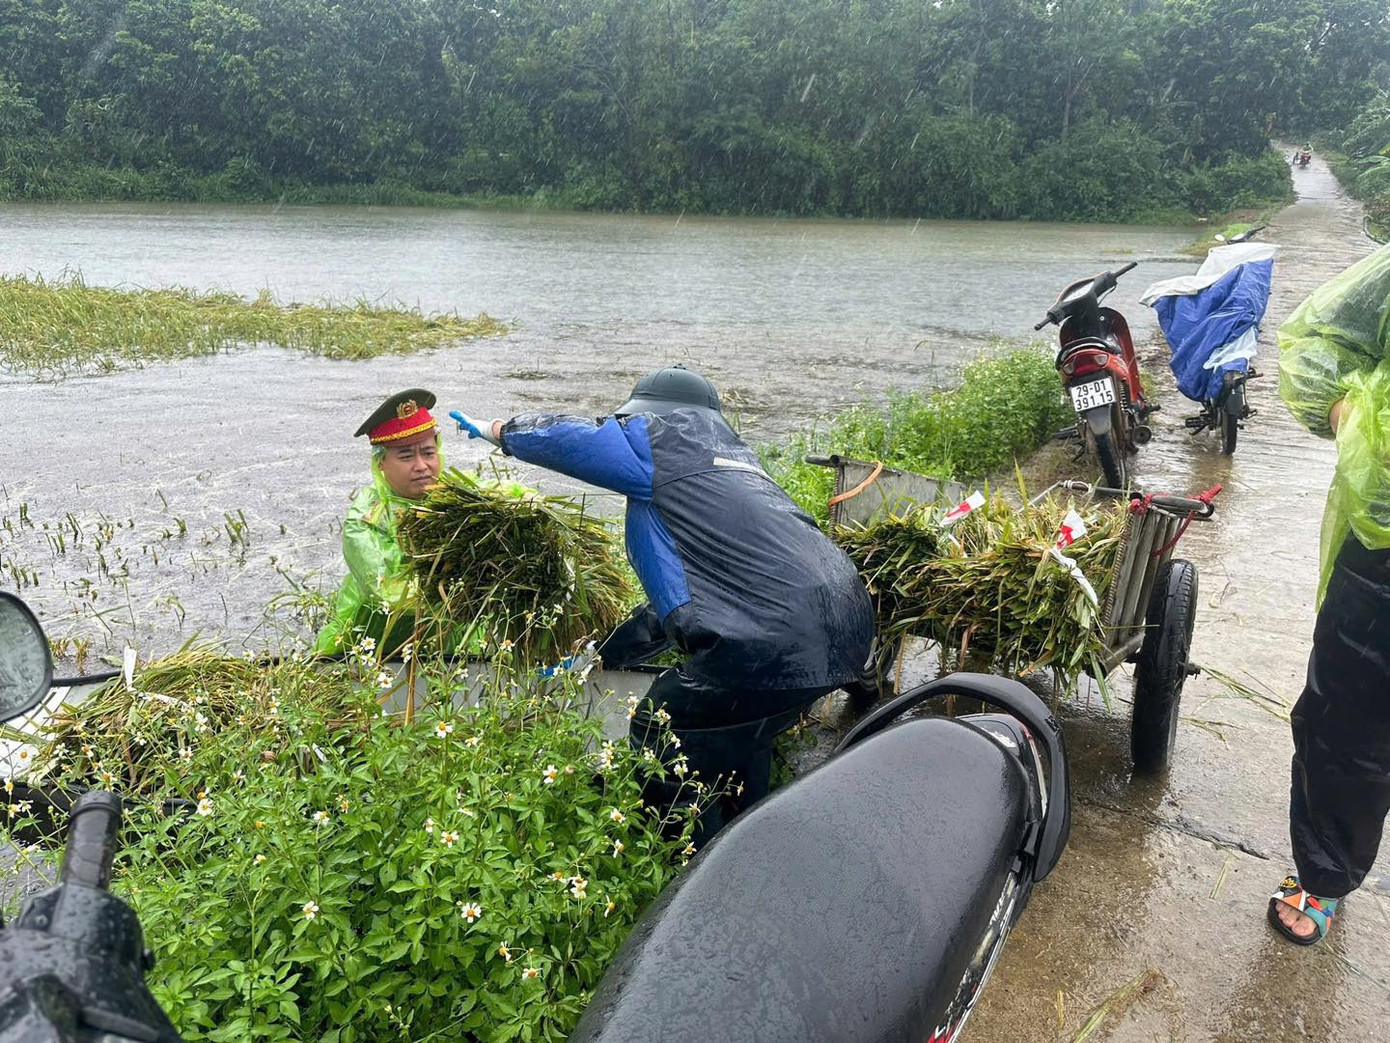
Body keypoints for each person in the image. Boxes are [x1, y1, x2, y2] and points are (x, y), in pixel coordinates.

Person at [454, 365, 875, 839]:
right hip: (847, 630)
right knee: (743, 726)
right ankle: (750, 839)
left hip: (774, 642)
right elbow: (681, 606)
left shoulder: (669, 440)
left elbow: (581, 440)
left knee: (660, 729)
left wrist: (498, 431)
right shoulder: (740, 469)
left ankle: (685, 869)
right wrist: (604, 656)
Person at [1271, 245, 1390, 945]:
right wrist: (1351, 408)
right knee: (1346, 721)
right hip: (1382, 545)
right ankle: (1327, 869)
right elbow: (1312, 348)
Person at [314, 389, 444, 657]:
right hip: (374, 644)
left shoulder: (455, 497)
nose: (422, 466)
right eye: (406, 457)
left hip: (448, 642)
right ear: (381, 462)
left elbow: (510, 494)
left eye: (429, 453)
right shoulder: (363, 521)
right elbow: (388, 593)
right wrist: (462, 589)